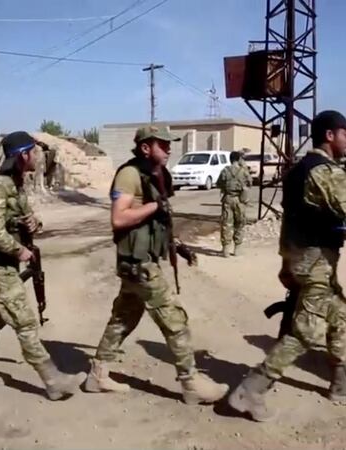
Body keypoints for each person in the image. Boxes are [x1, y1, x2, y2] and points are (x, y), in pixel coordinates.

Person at [227, 110, 346, 422]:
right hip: (316, 261)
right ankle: (251, 389)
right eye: (345, 132)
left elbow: (290, 220)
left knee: (338, 310)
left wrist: (286, 262)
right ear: (330, 136)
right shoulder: (328, 173)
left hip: (302, 258)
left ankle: (340, 380)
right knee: (306, 331)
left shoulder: (299, 170)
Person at [83, 125, 229, 405]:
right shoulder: (129, 175)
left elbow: (158, 221)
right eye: (163, 144)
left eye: (169, 143)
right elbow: (119, 219)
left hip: (141, 260)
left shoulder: (156, 174)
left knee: (124, 318)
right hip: (138, 264)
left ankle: (97, 374)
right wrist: (153, 207)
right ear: (145, 147)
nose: (169, 148)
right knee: (175, 319)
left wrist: (178, 245)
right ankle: (190, 381)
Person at [0, 131, 85, 400]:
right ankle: (52, 380)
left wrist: (34, 222)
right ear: (22, 156)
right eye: (34, 152)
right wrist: (20, 251)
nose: (38, 157)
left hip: (6, 263)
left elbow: (24, 216)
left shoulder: (16, 184)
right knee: (25, 321)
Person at [217, 151, 251, 257]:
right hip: (240, 200)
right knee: (240, 223)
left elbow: (219, 183)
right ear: (239, 159)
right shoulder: (244, 171)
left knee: (227, 223)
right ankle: (237, 248)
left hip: (227, 198)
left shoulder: (225, 171)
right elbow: (250, 182)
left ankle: (226, 249)